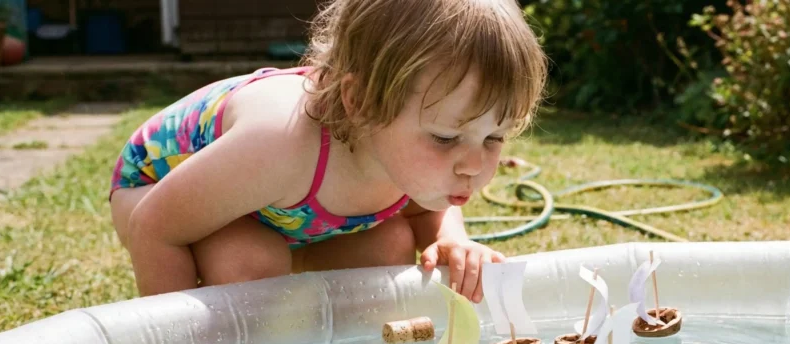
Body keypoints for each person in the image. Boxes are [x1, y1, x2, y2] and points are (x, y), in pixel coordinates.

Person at [108, 0, 547, 304]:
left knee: (389, 245)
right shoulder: (278, 144)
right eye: (446, 138)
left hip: (282, 215)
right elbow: (155, 228)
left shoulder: (401, 139)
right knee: (251, 261)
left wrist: (450, 239)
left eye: (495, 138)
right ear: (361, 103)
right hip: (158, 192)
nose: (474, 166)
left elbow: (422, 211)